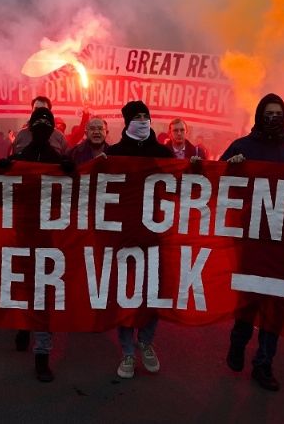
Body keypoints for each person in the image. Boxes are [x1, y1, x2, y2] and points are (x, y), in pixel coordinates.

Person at [220, 93, 284, 392]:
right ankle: (238, 343)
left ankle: (264, 363)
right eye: (268, 113)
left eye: (278, 113)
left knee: (276, 305)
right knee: (250, 299)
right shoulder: (242, 147)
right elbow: (216, 179)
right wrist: (230, 167)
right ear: (260, 116)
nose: (273, 118)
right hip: (252, 239)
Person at [0, 107, 75, 382]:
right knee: (23, 287)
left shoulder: (58, 160)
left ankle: (42, 354)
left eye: (47, 124)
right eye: (38, 124)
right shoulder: (19, 158)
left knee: (43, 294)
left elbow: (74, 196)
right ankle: (23, 327)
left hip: (49, 238)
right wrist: (1, 171)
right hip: (21, 235)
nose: (43, 128)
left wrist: (71, 172)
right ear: (30, 128)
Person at [105, 101, 173, 379]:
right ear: (127, 121)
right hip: (125, 235)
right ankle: (128, 352)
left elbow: (181, 183)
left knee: (152, 291)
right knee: (126, 293)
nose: (143, 120)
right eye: (137, 116)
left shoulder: (163, 153)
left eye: (146, 116)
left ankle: (146, 341)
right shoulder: (114, 153)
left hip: (156, 234)